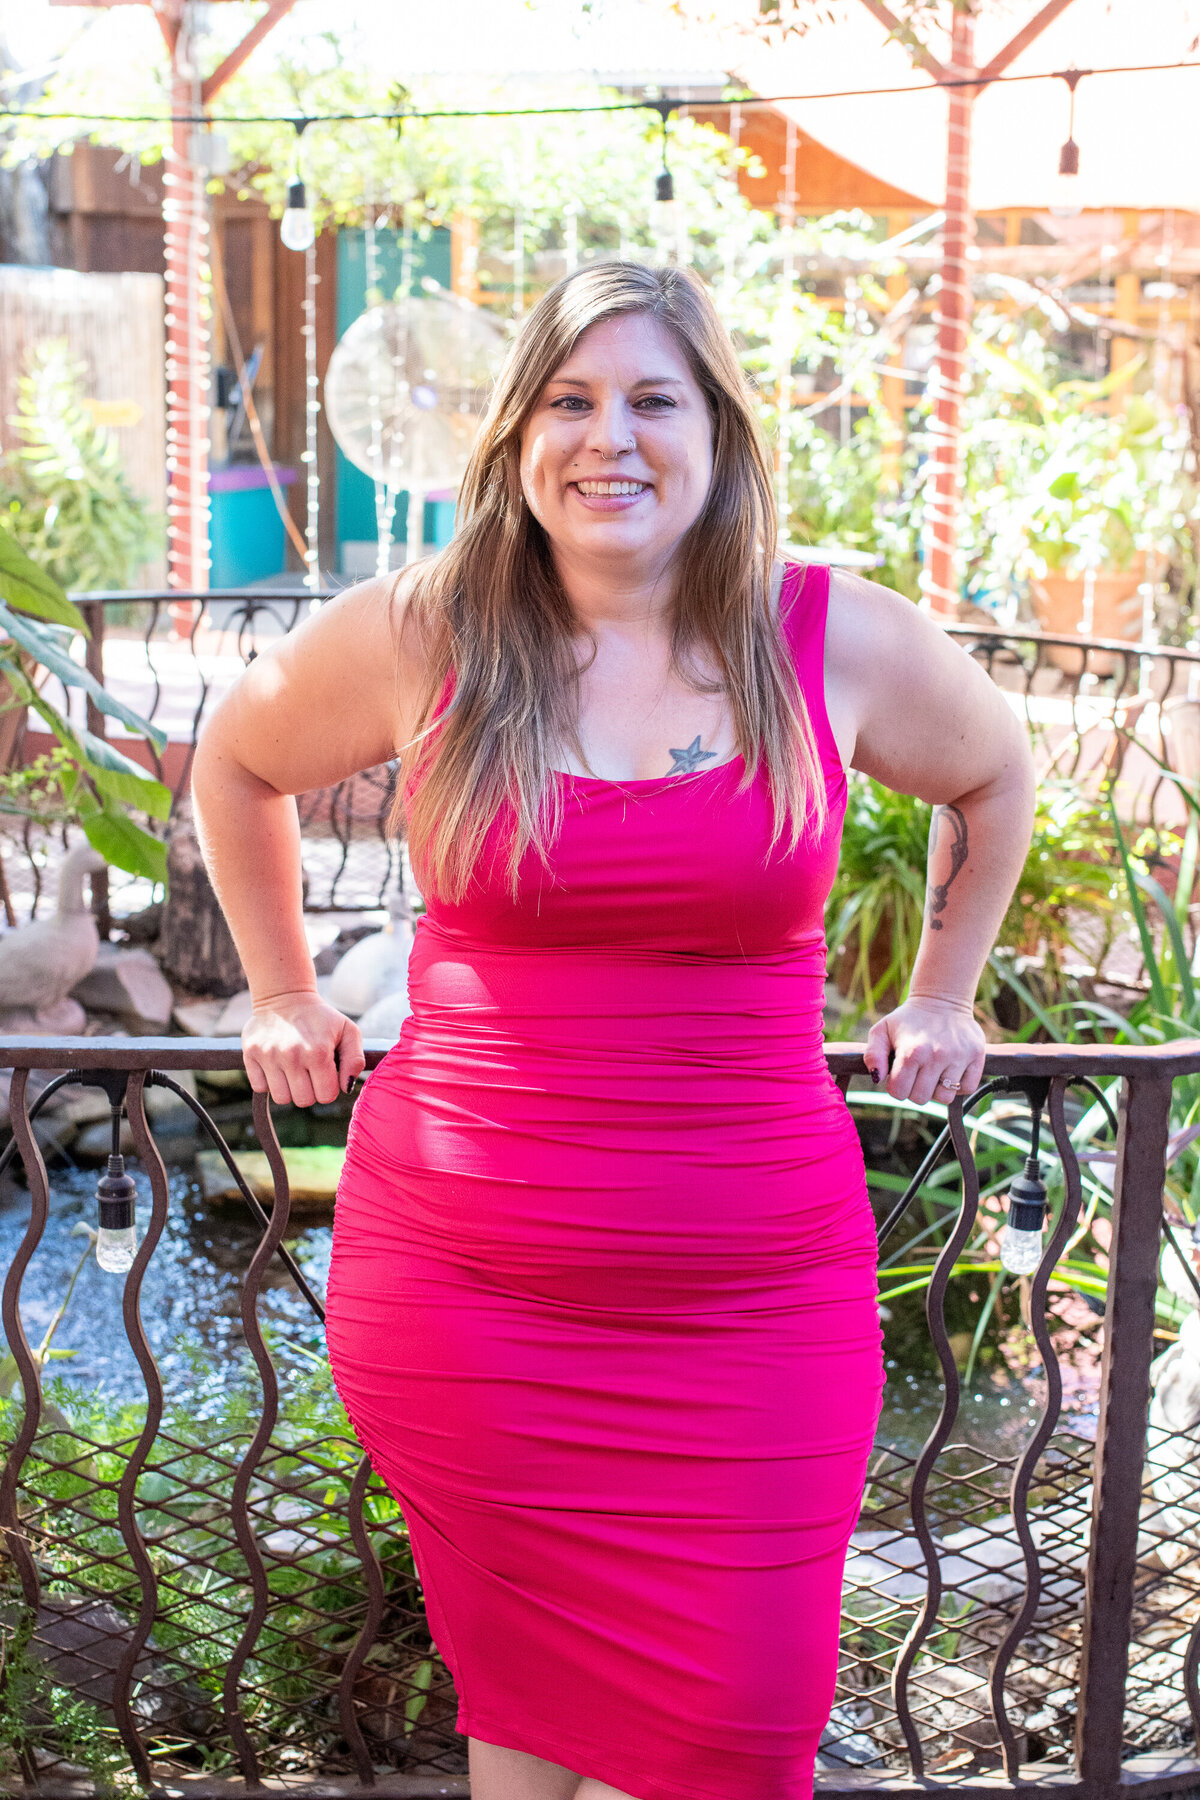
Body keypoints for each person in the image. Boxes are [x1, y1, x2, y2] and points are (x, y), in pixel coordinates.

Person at [191, 261, 1035, 1800]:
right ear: (519, 436)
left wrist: (940, 991)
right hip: (470, 1297)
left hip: (756, 1309)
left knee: (737, 1733)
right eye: (570, 402)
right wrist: (283, 990)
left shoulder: (833, 637)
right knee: (524, 1728)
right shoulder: (425, 630)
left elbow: (994, 775)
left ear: (718, 428)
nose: (611, 439)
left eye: (654, 399)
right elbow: (238, 759)